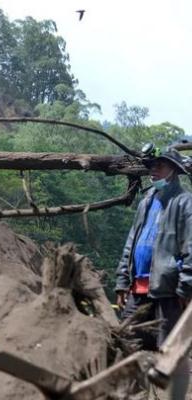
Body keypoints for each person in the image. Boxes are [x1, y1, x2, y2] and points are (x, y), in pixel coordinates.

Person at [115, 147, 192, 399]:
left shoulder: (185, 202)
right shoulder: (146, 202)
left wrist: (185, 288)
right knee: (126, 345)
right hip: (137, 291)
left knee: (170, 353)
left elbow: (191, 248)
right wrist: (122, 281)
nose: (153, 171)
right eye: (152, 166)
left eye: (159, 166)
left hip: (168, 292)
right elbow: (131, 242)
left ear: (173, 171)